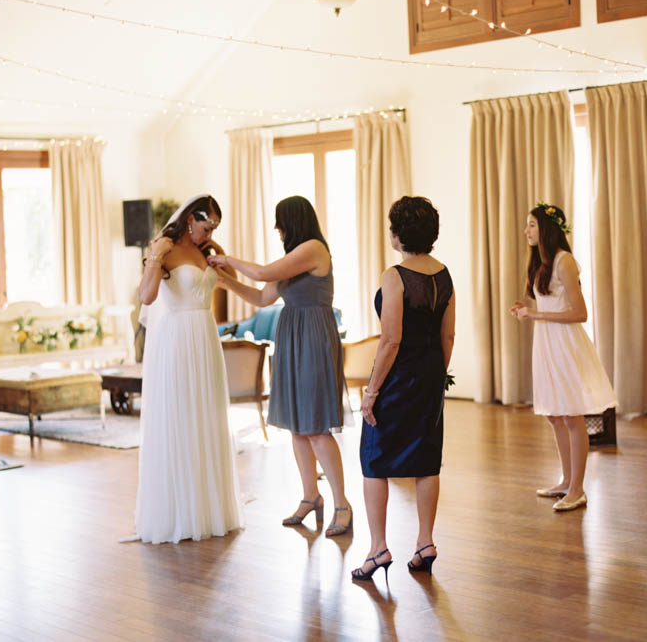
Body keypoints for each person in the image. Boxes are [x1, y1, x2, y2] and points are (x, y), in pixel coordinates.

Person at [208, 195, 352, 537]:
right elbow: (262, 297)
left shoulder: (314, 249)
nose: (276, 228)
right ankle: (310, 496)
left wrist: (226, 259)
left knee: (316, 427)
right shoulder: (292, 258)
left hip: (314, 336)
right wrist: (226, 282)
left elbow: (260, 273)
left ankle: (343, 504)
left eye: (279, 221)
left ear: (293, 220)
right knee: (297, 427)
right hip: (292, 336)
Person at [351, 196, 456, 583]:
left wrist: (372, 391)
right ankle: (425, 543)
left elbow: (390, 339)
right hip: (430, 375)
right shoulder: (444, 275)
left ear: (398, 233)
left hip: (398, 377)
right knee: (428, 459)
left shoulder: (394, 275)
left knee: (374, 458)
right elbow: (448, 334)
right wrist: (435, 377)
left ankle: (378, 548)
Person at [129, 194, 244, 544]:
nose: (208, 233)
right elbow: (147, 298)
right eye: (206, 226)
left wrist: (216, 250)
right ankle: (179, 511)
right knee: (179, 417)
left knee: (207, 418)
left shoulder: (206, 250)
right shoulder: (164, 249)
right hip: (177, 338)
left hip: (205, 337)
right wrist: (155, 257)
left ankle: (208, 507)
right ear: (189, 220)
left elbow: (230, 279)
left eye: (213, 228)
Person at [510, 202, 617, 512]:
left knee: (571, 415)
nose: (526, 231)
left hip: (566, 344)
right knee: (555, 415)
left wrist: (536, 314)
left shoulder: (564, 261)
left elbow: (580, 313)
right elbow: (547, 304)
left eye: (531, 224)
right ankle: (566, 480)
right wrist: (527, 311)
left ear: (546, 227)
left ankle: (578, 488)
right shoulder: (539, 263)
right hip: (545, 343)